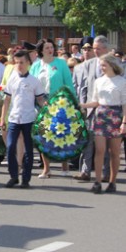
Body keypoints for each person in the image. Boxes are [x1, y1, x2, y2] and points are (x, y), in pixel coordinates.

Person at [79, 54, 126, 193]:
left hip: (116, 116)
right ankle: (97, 182)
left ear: (112, 65)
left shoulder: (122, 82)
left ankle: (112, 182)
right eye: (100, 65)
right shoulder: (99, 81)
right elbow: (96, 101)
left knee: (114, 152)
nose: (101, 68)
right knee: (99, 150)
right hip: (100, 115)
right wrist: (82, 105)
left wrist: (124, 122)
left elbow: (125, 104)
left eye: (104, 65)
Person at [0, 50, 46, 189]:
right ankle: (14, 175)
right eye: (16, 62)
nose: (19, 65)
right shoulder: (12, 79)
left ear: (28, 63)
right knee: (10, 147)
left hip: (29, 118)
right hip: (14, 118)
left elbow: (40, 99)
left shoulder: (34, 81)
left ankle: (26, 178)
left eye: (22, 62)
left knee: (28, 150)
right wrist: (3, 118)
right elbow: (7, 100)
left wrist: (48, 108)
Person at [30, 39, 74, 178]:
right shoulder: (36, 66)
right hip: (41, 102)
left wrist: (73, 102)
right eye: (47, 47)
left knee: (61, 134)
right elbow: (31, 84)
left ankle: (64, 165)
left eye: (51, 47)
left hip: (59, 102)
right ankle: (46, 168)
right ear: (41, 51)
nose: (50, 50)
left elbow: (69, 84)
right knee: (43, 135)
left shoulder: (61, 64)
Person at [73, 35, 112, 182]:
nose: (95, 51)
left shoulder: (115, 64)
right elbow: (83, 87)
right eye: (93, 48)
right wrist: (82, 105)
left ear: (106, 49)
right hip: (90, 109)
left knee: (106, 144)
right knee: (87, 141)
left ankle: (106, 173)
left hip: (108, 110)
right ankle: (85, 171)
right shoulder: (89, 64)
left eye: (98, 48)